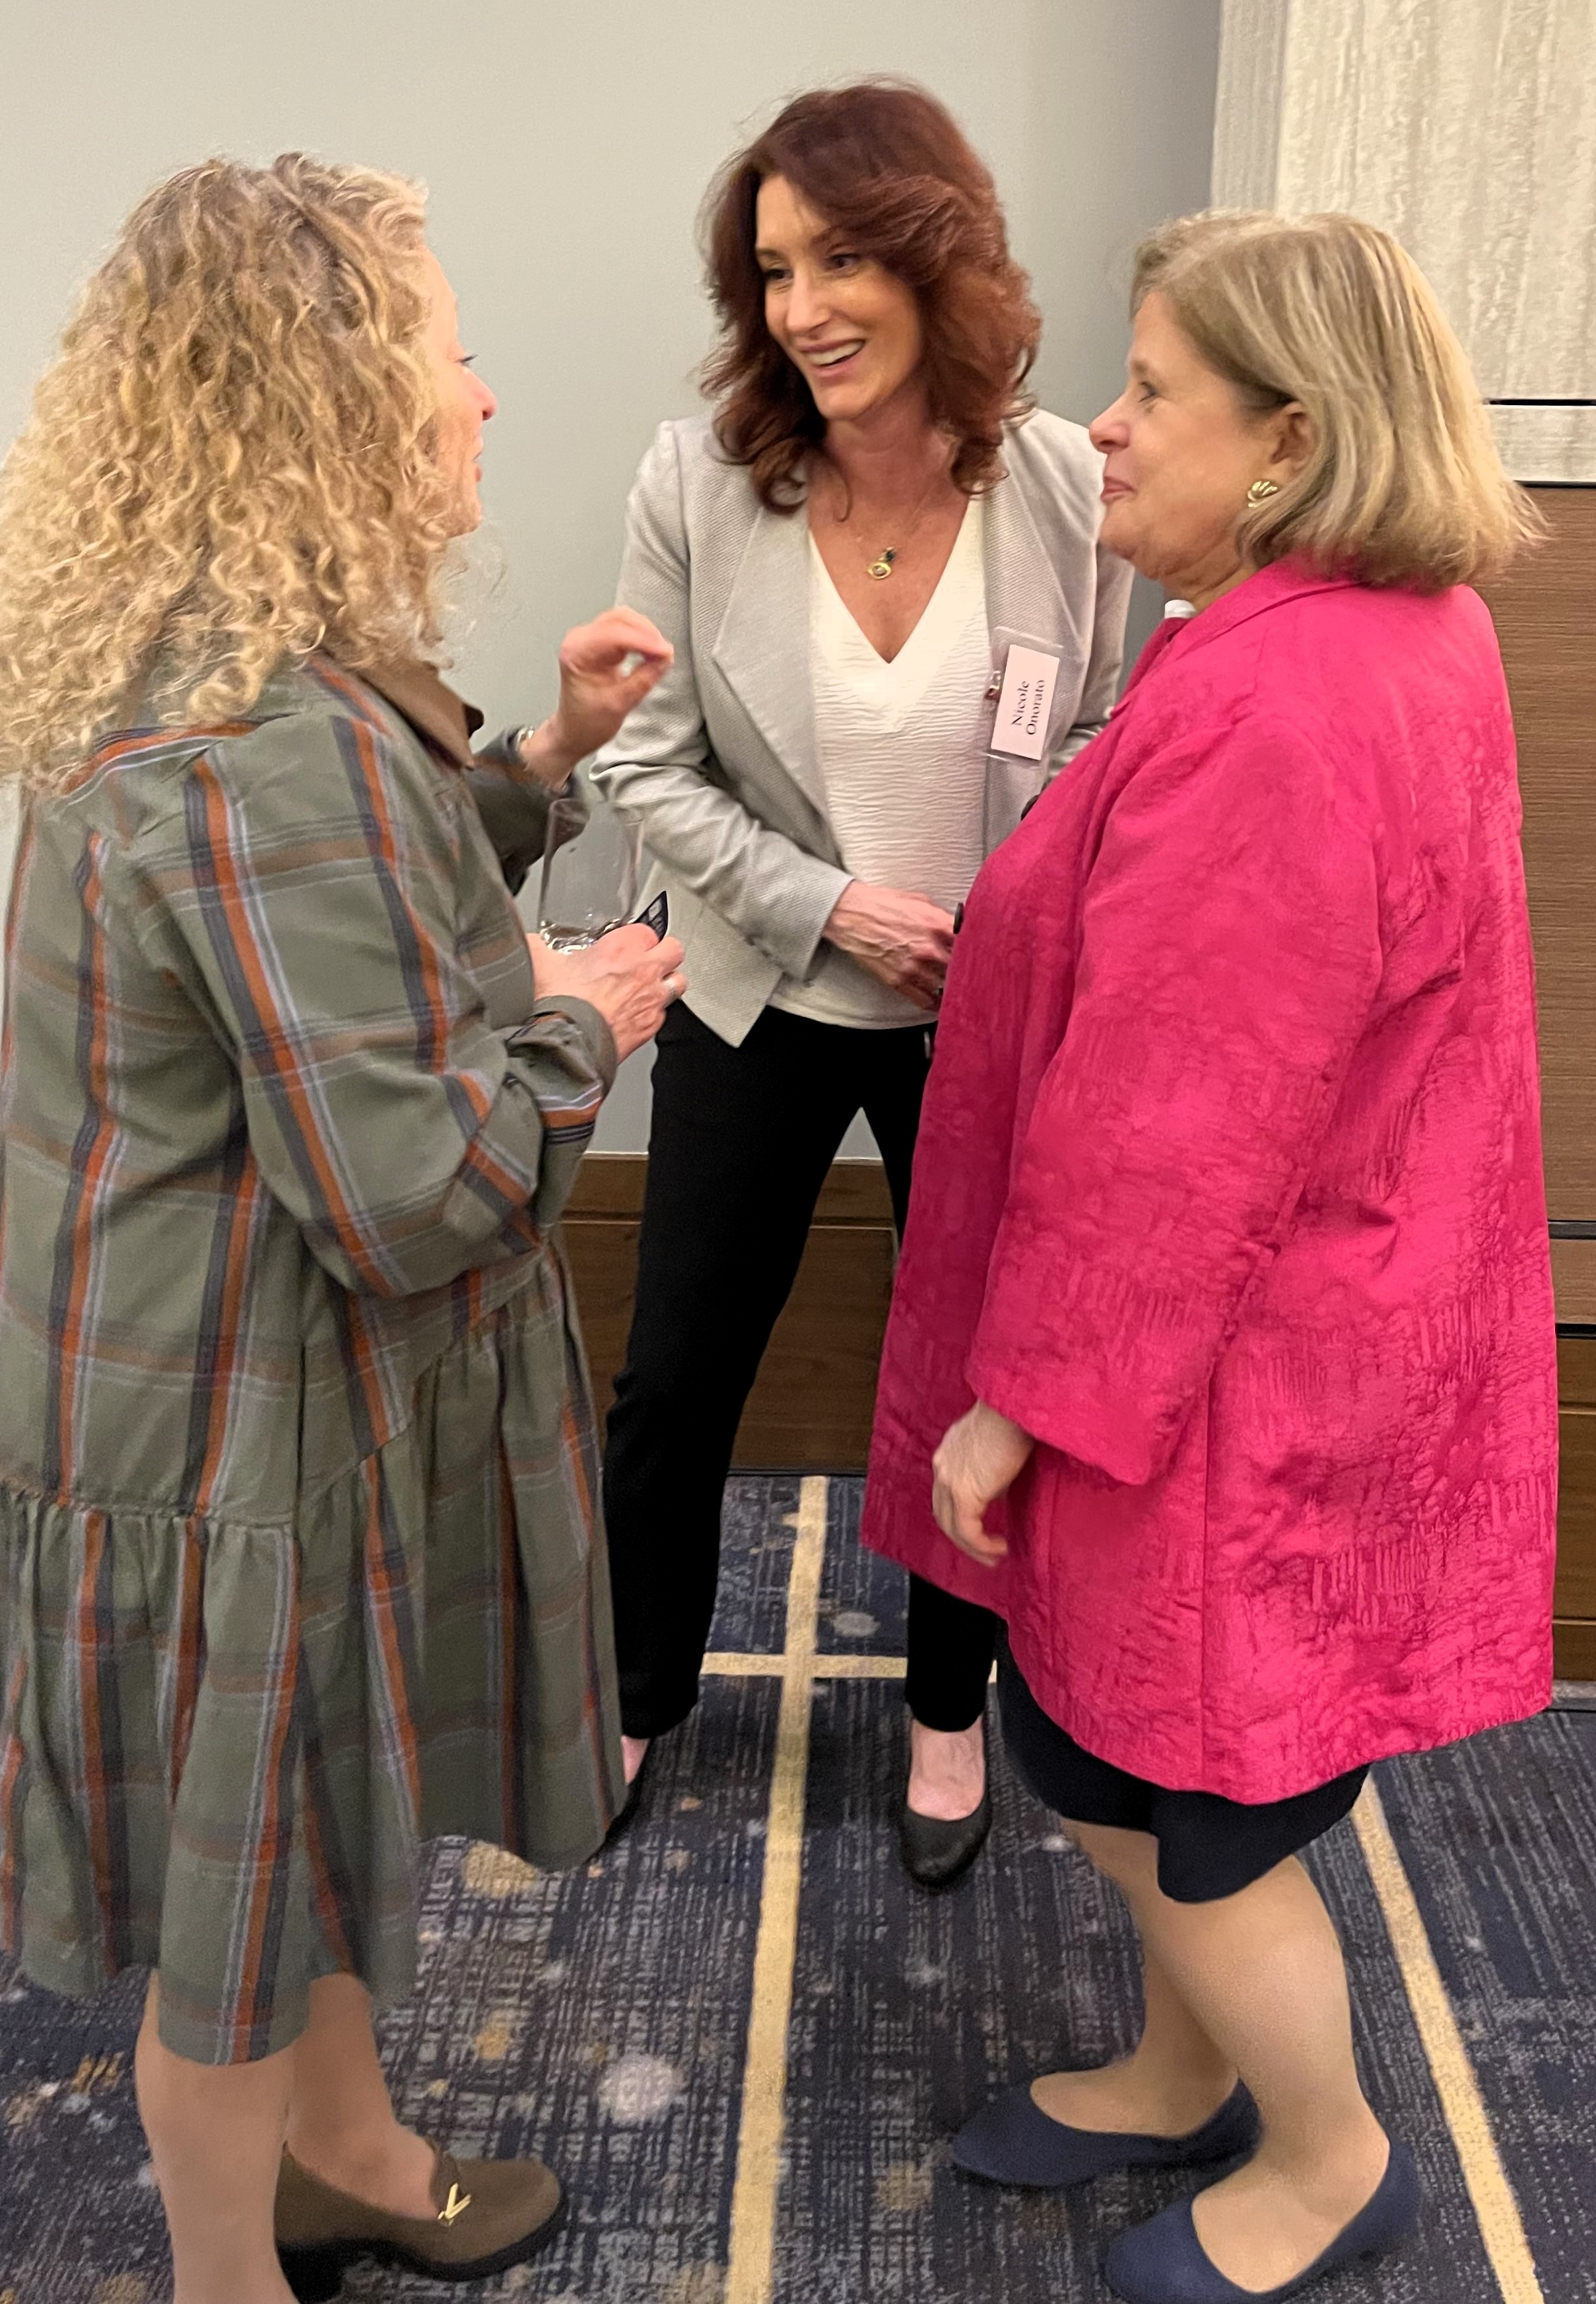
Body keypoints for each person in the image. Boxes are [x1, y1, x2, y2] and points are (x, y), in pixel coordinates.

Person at [0, 156, 685, 2303]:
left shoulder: (225, 672)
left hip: (206, 1400)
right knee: (237, 1926)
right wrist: (581, 1020)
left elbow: (352, 922)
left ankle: (347, 2160)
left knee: (291, 1851)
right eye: (449, 350)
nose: (482, 392)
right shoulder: (271, 741)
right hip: (230, 1436)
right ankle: (227, 2266)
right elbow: (409, 1192)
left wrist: (544, 757)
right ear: (332, 400)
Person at [863, 209, 1556, 2302]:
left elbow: (1179, 1118)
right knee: (1161, 1761)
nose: (1104, 423)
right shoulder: (1371, 626)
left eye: (1154, 387)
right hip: (1304, 1324)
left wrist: (1021, 1401)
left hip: (1229, 1369)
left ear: (1292, 439)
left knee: (1156, 1777)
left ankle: (1333, 2159)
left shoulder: (1286, 697)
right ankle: (1183, 2069)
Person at [588, 81, 1131, 1886]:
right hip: (763, 990)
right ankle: (636, 1689)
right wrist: (836, 907)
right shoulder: (698, 481)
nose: (803, 307)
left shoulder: (1063, 483)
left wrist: (1007, 917)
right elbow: (645, 764)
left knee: (973, 1382)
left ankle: (947, 1710)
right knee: (676, 1378)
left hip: (981, 1016)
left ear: (934, 259)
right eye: (773, 271)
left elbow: (1107, 744)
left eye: (838, 261)